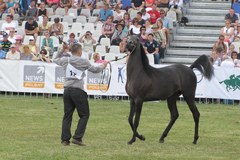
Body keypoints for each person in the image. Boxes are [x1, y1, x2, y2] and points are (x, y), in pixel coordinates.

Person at [53, 43, 107, 146]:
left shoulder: (65, 60)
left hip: (67, 90)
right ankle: (77, 137)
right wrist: (103, 65)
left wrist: (62, 50)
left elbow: (55, 59)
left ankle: (65, 140)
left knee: (67, 115)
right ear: (79, 51)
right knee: (84, 115)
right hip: (78, 90)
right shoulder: (83, 61)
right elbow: (95, 70)